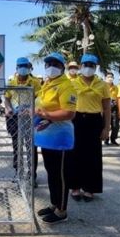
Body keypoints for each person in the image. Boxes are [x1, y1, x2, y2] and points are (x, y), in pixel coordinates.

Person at [34, 52, 76, 224]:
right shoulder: (47, 84)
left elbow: (69, 113)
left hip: (60, 137)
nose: (51, 67)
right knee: (51, 173)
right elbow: (40, 108)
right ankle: (54, 203)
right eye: (48, 64)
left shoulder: (66, 86)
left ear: (62, 67)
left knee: (61, 175)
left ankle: (62, 210)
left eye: (56, 64)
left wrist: (47, 114)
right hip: (46, 137)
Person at [68, 54, 110, 202]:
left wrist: (106, 128)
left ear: (95, 67)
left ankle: (90, 188)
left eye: (91, 65)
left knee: (93, 156)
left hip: (94, 121)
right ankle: (75, 187)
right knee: (74, 154)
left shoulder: (102, 85)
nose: (88, 68)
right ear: (80, 66)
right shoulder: (72, 83)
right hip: (77, 119)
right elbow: (67, 104)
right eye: (85, 64)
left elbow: (106, 108)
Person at [4, 57, 41, 185]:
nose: (23, 69)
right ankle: (18, 172)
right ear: (17, 68)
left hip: (30, 118)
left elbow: (39, 99)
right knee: (17, 146)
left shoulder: (35, 82)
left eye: (26, 66)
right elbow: (7, 99)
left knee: (31, 147)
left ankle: (32, 175)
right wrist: (8, 109)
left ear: (29, 68)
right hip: (15, 117)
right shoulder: (11, 82)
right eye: (21, 66)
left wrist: (32, 109)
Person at [105, 72, 120, 146]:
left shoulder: (116, 87)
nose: (110, 78)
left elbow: (118, 98)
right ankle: (106, 139)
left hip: (114, 108)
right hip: (104, 107)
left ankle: (113, 139)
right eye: (108, 77)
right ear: (105, 78)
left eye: (111, 77)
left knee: (115, 125)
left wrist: (114, 103)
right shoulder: (103, 86)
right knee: (105, 124)